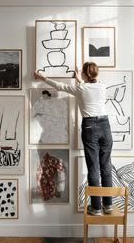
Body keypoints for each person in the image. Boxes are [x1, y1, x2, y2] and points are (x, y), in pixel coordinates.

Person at [34, 62, 113, 216]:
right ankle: (108, 205)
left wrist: (42, 77)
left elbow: (60, 86)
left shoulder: (81, 88)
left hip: (90, 126)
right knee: (106, 166)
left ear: (84, 74)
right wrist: (80, 80)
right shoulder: (102, 87)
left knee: (93, 167)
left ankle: (96, 207)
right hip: (105, 126)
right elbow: (87, 89)